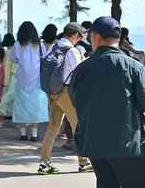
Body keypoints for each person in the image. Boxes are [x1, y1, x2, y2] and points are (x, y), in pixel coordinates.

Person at [70, 17, 145, 188]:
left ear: (96, 37)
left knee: (105, 183)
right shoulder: (134, 67)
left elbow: (75, 100)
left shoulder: (81, 69)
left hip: (93, 142)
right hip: (127, 144)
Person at [37, 23, 93, 175]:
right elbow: (79, 73)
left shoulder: (53, 48)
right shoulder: (71, 51)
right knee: (78, 126)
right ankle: (84, 162)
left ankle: (44, 163)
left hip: (52, 92)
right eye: (79, 38)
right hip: (66, 92)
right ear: (74, 35)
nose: (79, 41)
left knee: (53, 127)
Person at [12, 22, 48, 141]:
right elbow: (45, 58)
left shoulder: (17, 45)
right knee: (35, 107)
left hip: (22, 80)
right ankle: (34, 134)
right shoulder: (40, 45)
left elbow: (14, 59)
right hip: (37, 80)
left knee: (22, 106)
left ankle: (23, 133)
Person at [0, 33, 17, 118]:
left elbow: (6, 66)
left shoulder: (8, 51)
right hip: (15, 73)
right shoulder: (13, 50)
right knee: (12, 93)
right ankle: (1, 107)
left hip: (12, 73)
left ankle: (9, 112)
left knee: (11, 93)